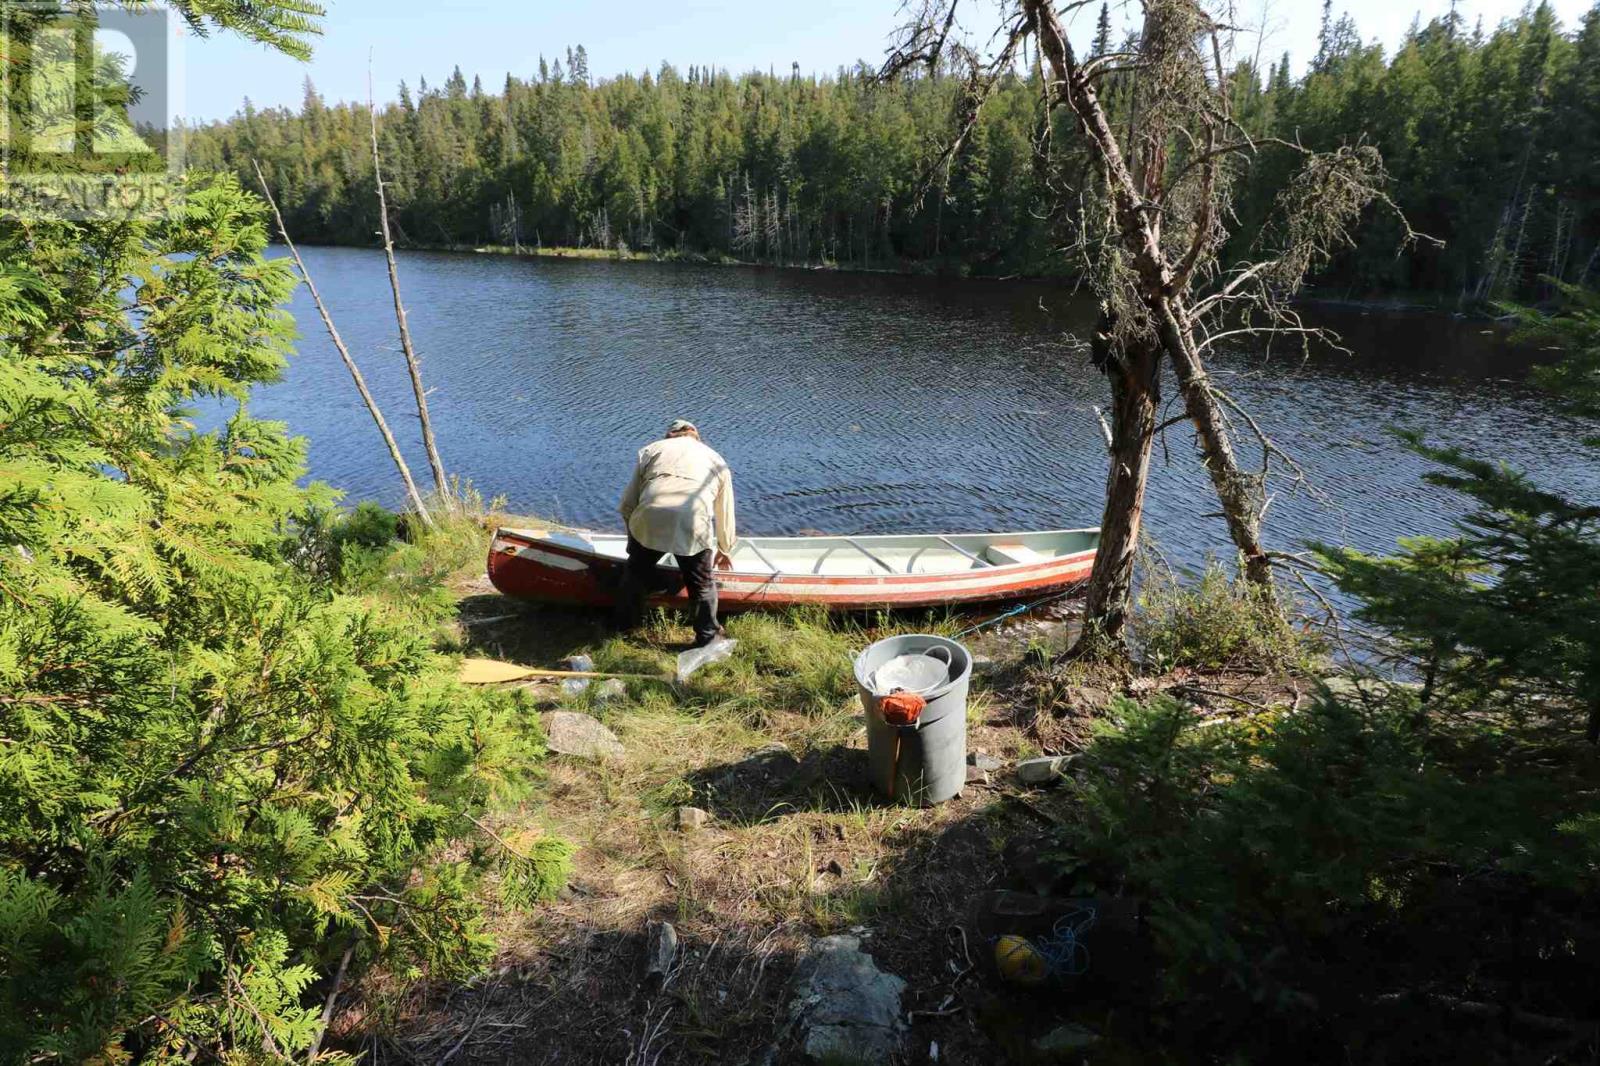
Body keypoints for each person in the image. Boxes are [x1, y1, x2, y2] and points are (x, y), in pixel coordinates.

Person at [616, 418, 736, 647]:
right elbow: (725, 510)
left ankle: (625, 626)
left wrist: (633, 541)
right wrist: (725, 547)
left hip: (650, 516)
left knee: (634, 575)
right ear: (696, 435)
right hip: (691, 520)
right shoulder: (715, 458)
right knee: (701, 584)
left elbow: (627, 504)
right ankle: (707, 636)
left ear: (669, 435)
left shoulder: (652, 449)